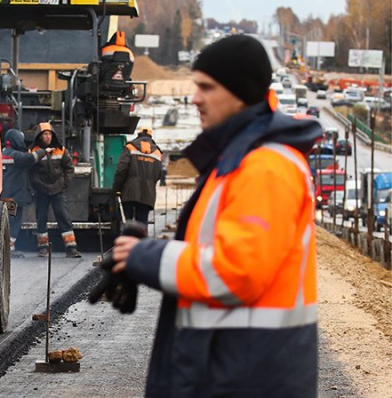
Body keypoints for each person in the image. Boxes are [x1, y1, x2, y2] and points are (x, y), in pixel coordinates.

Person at [105, 35, 321, 397]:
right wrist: (143, 255)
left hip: (247, 376)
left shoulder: (265, 167)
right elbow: (215, 248)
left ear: (239, 92)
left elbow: (236, 271)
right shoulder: (238, 161)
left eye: (206, 87)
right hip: (234, 367)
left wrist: (147, 257)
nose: (195, 98)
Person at [29, 122, 81, 258]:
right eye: (45, 134)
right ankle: (43, 248)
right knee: (41, 219)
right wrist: (38, 186)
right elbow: (30, 172)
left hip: (58, 190)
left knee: (64, 218)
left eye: (50, 134)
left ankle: (71, 248)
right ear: (40, 136)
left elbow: (69, 168)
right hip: (41, 191)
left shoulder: (61, 150)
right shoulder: (33, 151)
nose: (48, 137)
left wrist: (63, 184)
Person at [1, 129, 47, 257]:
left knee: (7, 220)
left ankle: (6, 248)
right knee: (13, 222)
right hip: (14, 197)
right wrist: (44, 151)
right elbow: (31, 158)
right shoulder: (15, 155)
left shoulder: (3, 152)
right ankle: (8, 249)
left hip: (4, 195)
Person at [111, 126, 163, 226]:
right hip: (147, 193)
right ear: (151, 136)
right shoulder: (157, 152)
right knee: (142, 223)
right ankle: (141, 241)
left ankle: (129, 240)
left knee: (128, 223)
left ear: (138, 134)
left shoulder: (130, 147)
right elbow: (158, 174)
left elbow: (121, 170)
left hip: (129, 191)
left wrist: (116, 189)